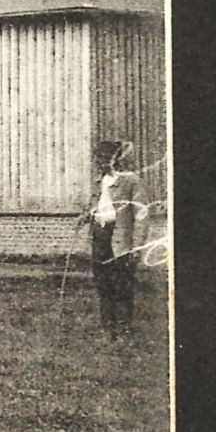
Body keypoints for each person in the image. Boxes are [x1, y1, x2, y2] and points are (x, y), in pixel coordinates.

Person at [78, 139, 141, 338]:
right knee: (103, 283)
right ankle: (108, 329)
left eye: (101, 159)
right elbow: (97, 207)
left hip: (120, 237)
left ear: (114, 159)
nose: (97, 163)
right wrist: (86, 216)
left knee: (122, 284)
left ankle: (124, 329)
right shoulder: (99, 182)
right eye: (97, 159)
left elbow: (142, 215)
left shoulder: (130, 180)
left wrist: (136, 246)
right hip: (100, 236)